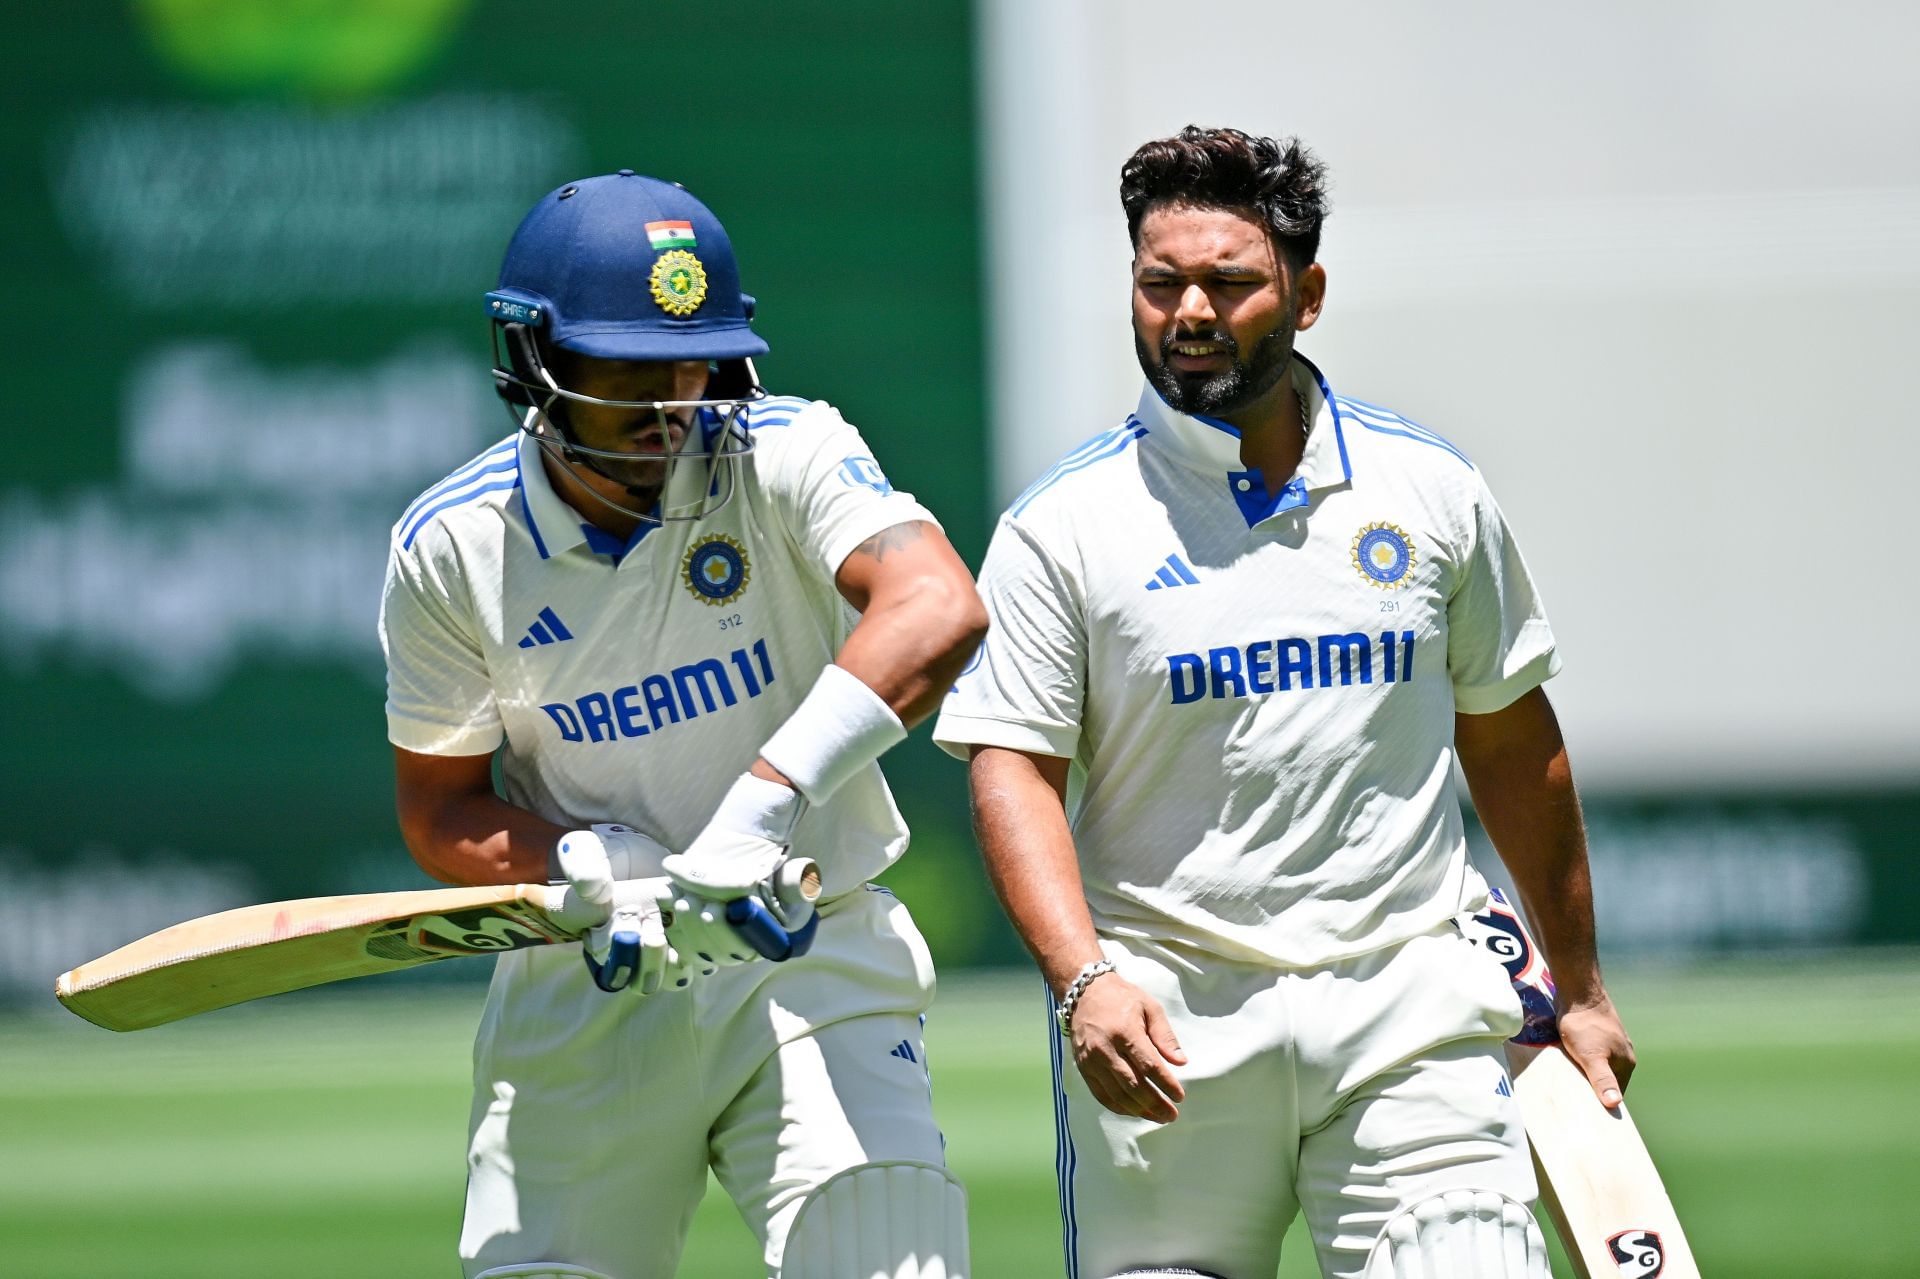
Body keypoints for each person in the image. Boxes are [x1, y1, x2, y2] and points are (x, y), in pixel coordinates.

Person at [932, 127, 1634, 1279]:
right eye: (1160, 284)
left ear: (1305, 296)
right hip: (1167, 1027)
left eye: (1229, 282)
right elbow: (1012, 768)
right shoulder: (1062, 525)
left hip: (1410, 1002)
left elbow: (1512, 737)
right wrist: (1083, 980)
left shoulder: (1428, 488)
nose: (1190, 311)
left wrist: (1584, 986)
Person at [380, 169, 984, 1279]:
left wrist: (762, 807)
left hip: (806, 946)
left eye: (697, 361)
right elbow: (441, 809)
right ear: (536, 367)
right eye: (633, 369)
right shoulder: (452, 547)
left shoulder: (784, 447)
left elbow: (939, 606)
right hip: (592, 974)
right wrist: (580, 860)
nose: (677, 404)